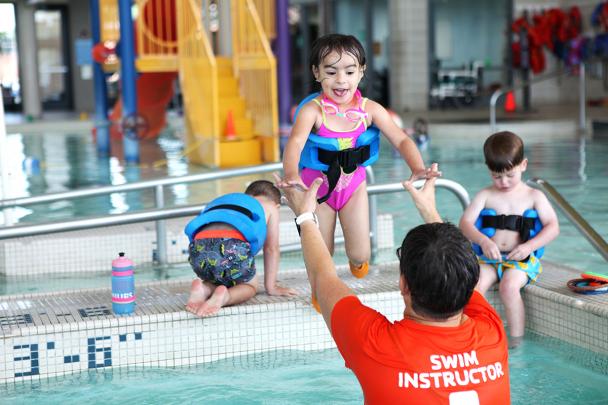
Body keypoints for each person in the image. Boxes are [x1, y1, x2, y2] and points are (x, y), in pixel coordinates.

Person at [278, 163, 511, 403]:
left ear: (404, 285)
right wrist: (430, 210)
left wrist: (305, 215)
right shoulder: (492, 332)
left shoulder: (376, 345)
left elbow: (323, 278)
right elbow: (458, 271)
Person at [279, 34, 439, 310]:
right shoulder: (312, 111)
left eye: (350, 71)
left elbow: (400, 139)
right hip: (318, 189)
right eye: (331, 72)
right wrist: (292, 174)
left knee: (360, 253)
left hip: (353, 187)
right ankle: (321, 288)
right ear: (317, 73)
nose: (341, 80)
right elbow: (294, 143)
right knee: (322, 249)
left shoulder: (369, 110)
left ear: (361, 72)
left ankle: (356, 261)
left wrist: (418, 167)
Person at [459, 131, 559, 347]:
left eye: (509, 175)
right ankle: (475, 334)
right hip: (489, 259)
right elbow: (465, 224)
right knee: (473, 289)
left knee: (509, 287)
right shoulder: (485, 195)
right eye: (496, 176)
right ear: (488, 169)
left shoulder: (534, 196)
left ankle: (516, 340)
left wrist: (528, 247)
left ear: (523, 165)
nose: (503, 182)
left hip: (520, 260)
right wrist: (484, 242)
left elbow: (553, 227)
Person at [184, 180, 297, 317]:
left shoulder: (232, 202)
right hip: (232, 245)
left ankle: (204, 289)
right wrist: (271, 287)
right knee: (249, 285)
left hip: (198, 247)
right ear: (277, 205)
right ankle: (225, 297)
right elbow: (271, 249)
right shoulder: (270, 206)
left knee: (219, 277)